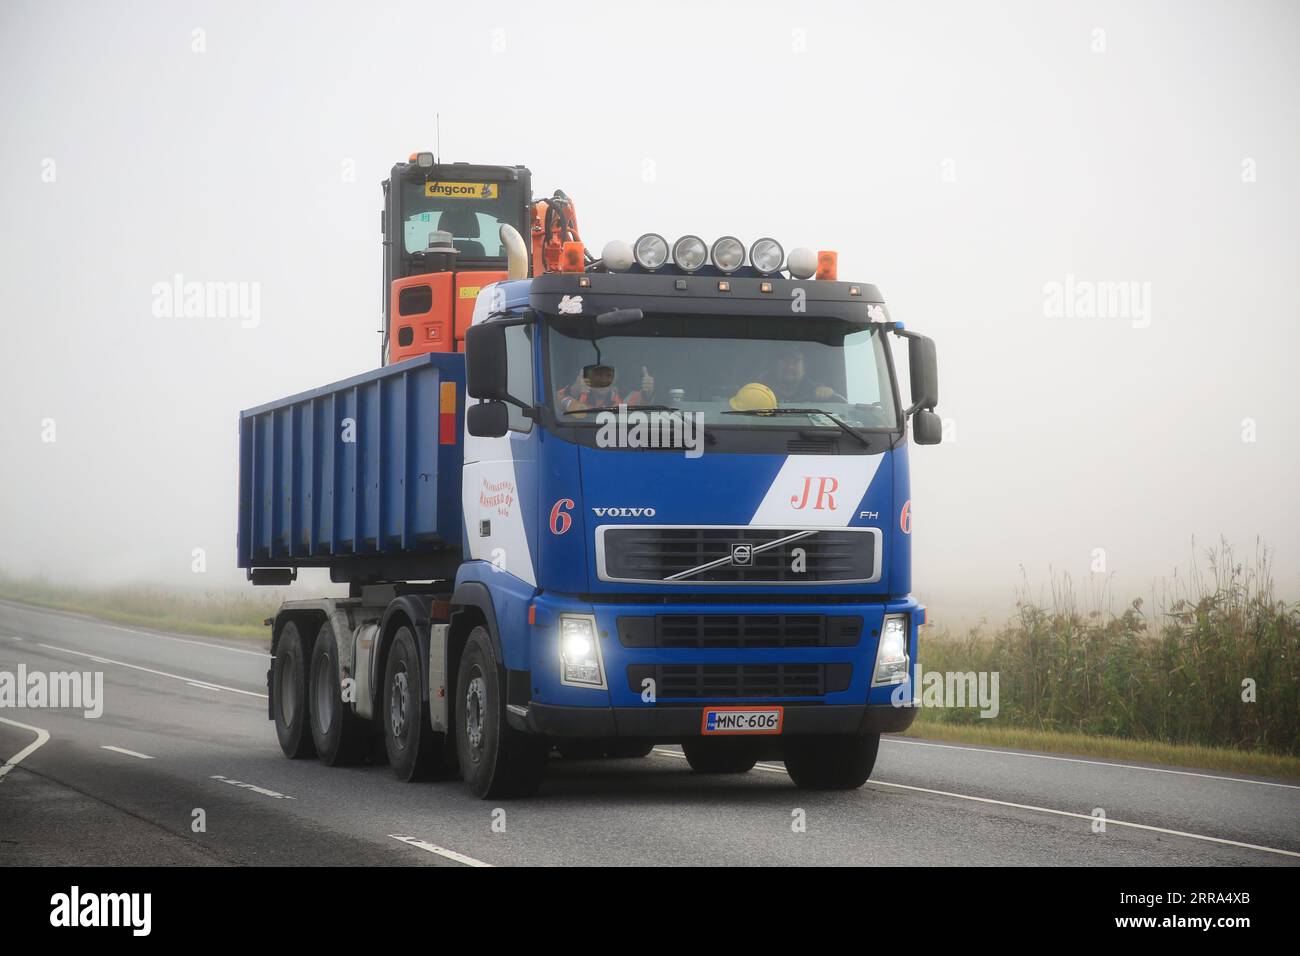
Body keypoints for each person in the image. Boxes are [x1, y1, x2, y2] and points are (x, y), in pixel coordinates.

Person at [555, 364, 655, 414]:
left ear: (615, 379)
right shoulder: (577, 392)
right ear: (588, 377)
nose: (603, 380)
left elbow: (644, 409)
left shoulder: (624, 397)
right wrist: (572, 393)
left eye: (608, 375)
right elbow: (554, 403)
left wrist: (647, 393)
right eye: (598, 375)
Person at [766, 343, 835, 403]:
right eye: (784, 360)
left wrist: (828, 393)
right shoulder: (758, 389)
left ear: (804, 368)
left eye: (796, 361)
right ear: (774, 366)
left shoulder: (816, 391)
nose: (790, 366)